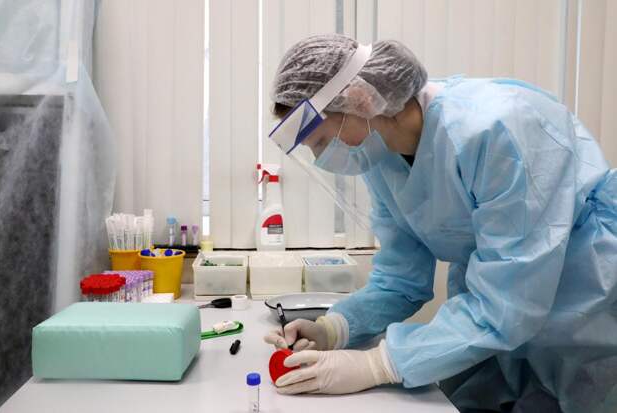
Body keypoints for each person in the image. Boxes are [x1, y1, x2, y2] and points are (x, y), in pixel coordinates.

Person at [263, 34, 617, 413]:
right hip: (497, 306)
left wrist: (379, 364)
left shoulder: (494, 128)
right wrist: (334, 328)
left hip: (583, 296)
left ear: (360, 100)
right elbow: (400, 280)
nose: (323, 158)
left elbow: (509, 302)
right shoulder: (380, 157)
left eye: (320, 141)